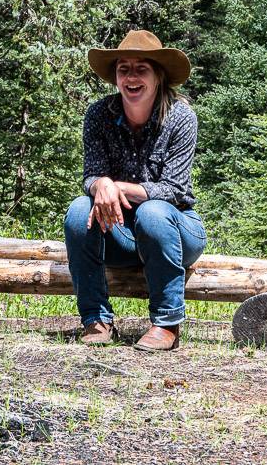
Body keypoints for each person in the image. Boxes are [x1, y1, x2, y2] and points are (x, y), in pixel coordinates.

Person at [64, 29, 207, 351]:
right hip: (119, 233)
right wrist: (100, 183)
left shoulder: (181, 117)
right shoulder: (100, 114)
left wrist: (113, 186)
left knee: (153, 211)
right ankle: (95, 319)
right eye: (123, 69)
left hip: (177, 230)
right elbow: (91, 175)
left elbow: (174, 189)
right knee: (77, 210)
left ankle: (166, 323)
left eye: (141, 69)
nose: (131, 77)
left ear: (158, 76)